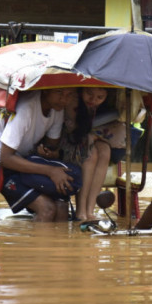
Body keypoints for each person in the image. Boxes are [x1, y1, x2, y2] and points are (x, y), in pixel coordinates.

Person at [0, 88, 78, 222]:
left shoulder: (57, 109)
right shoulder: (26, 109)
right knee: (47, 209)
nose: (64, 100)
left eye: (69, 94)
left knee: (61, 204)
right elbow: (6, 158)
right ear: (45, 91)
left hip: (20, 161)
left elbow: (52, 146)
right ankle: (35, 242)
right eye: (59, 93)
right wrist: (51, 171)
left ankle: (55, 242)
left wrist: (50, 153)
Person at [60, 87, 112, 221]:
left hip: (85, 139)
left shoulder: (100, 107)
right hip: (67, 142)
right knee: (91, 153)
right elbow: (72, 131)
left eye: (100, 97)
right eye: (89, 94)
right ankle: (81, 211)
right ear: (82, 90)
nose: (93, 100)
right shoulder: (73, 101)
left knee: (105, 150)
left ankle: (90, 209)